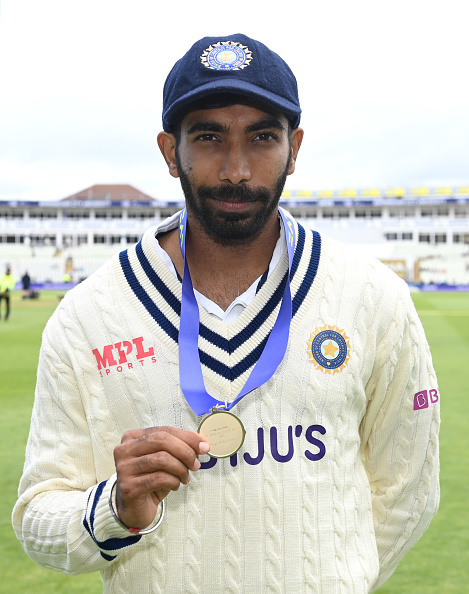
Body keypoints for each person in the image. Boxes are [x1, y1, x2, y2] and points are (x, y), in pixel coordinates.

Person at [13, 34, 440, 593]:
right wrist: (116, 508)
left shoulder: (371, 295)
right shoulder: (91, 315)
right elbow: (38, 517)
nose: (236, 169)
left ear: (295, 146)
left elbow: (409, 491)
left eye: (262, 137)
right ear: (171, 152)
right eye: (209, 137)